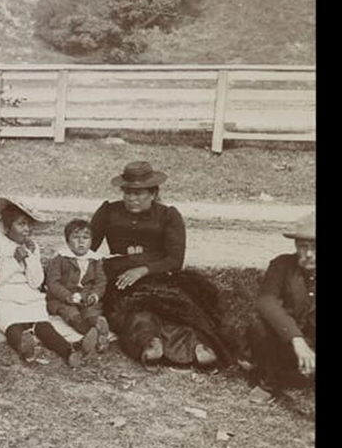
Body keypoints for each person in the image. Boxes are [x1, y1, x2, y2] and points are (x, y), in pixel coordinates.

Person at [89, 161, 233, 368]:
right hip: (121, 278)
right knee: (135, 312)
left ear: (153, 194)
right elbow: (87, 249)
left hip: (159, 275)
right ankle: (150, 343)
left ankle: (197, 346)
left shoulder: (168, 216)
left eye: (139, 193)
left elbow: (175, 260)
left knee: (176, 308)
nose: (131, 198)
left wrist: (142, 270)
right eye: (128, 192)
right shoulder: (108, 212)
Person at [0, 197, 93, 367]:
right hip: (3, 295)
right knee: (11, 324)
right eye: (21, 224)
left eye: (28, 224)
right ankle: (25, 347)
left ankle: (69, 352)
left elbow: (36, 282)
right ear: (6, 226)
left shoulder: (31, 245)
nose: (27, 229)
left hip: (28, 295)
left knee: (43, 326)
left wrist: (32, 259)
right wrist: (14, 261)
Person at [247, 212, 315, 402]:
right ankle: (268, 384)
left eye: (315, 247)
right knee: (258, 324)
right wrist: (296, 339)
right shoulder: (282, 265)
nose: (309, 254)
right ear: (295, 247)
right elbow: (266, 301)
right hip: (284, 344)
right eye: (303, 247)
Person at [45, 218, 110, 355]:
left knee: (91, 311)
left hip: (85, 296)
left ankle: (98, 324)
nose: (81, 242)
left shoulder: (95, 260)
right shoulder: (60, 258)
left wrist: (94, 295)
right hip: (63, 298)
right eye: (76, 237)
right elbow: (53, 282)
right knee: (71, 313)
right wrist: (68, 296)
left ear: (92, 241)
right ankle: (91, 334)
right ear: (68, 241)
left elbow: (100, 281)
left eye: (86, 238)